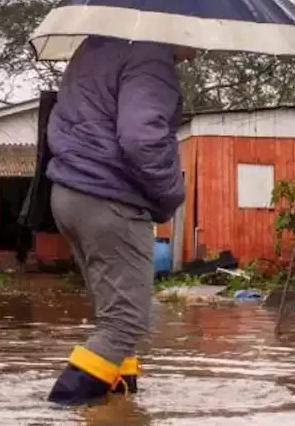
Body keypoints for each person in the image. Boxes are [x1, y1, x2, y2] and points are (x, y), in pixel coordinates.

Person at [44, 36, 193, 405]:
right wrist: (172, 193)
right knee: (125, 323)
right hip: (111, 200)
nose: (204, 46)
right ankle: (59, 414)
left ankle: (120, 420)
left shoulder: (94, 49)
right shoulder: (151, 59)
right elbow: (142, 138)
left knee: (114, 320)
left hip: (69, 193)